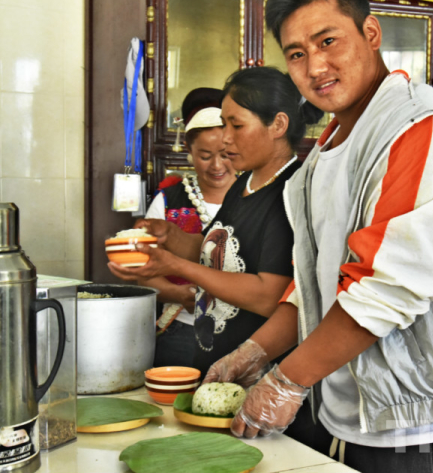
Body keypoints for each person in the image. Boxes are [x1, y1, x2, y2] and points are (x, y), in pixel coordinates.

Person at [202, 0, 433, 472]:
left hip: (423, 425)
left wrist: (287, 380)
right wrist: (255, 351)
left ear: (371, 32)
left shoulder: (418, 130)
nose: (315, 67)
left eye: (328, 41)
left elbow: (385, 286)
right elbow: (316, 283)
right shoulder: (325, 153)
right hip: (351, 415)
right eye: (296, 53)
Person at [108, 66, 323, 374]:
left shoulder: (290, 192)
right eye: (224, 124)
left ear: (278, 125)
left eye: (236, 125)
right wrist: (168, 235)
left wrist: (175, 266)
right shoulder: (244, 184)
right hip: (215, 361)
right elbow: (215, 252)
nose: (225, 138)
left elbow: (268, 295)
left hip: (256, 371)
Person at [139, 87, 236, 368]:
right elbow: (144, 274)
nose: (217, 165)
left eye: (225, 155)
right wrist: (180, 295)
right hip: (182, 330)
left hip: (246, 330)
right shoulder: (168, 201)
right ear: (190, 152)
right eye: (205, 156)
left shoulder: (253, 197)